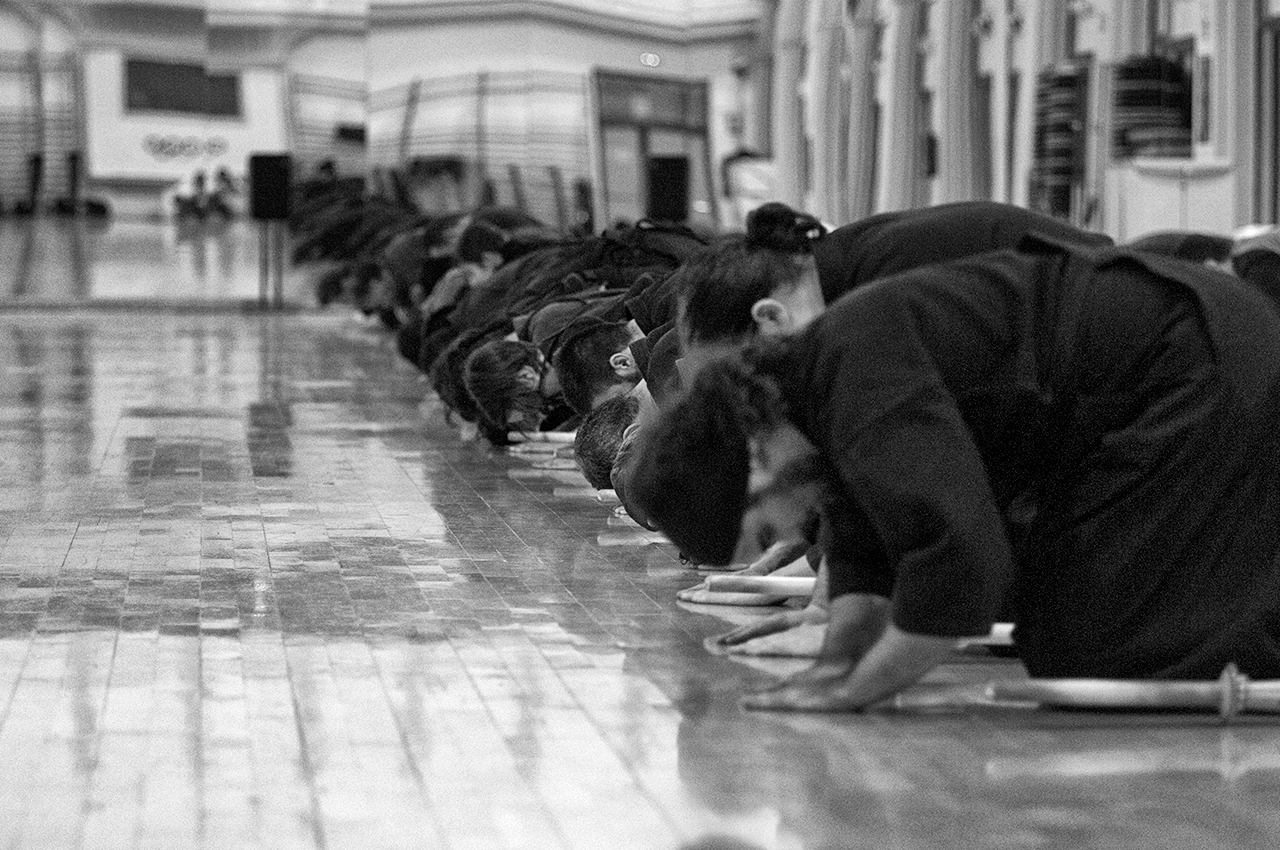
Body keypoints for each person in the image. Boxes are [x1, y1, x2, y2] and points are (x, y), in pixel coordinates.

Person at [629, 235, 1280, 711]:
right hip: (1163, 367)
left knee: (1105, 648)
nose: (793, 535)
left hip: (1194, 358)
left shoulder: (850, 372)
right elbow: (865, 555)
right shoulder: (810, 398)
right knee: (1062, 634)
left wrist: (857, 691)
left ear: (753, 466)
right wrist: (833, 664)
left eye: (770, 527)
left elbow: (962, 554)